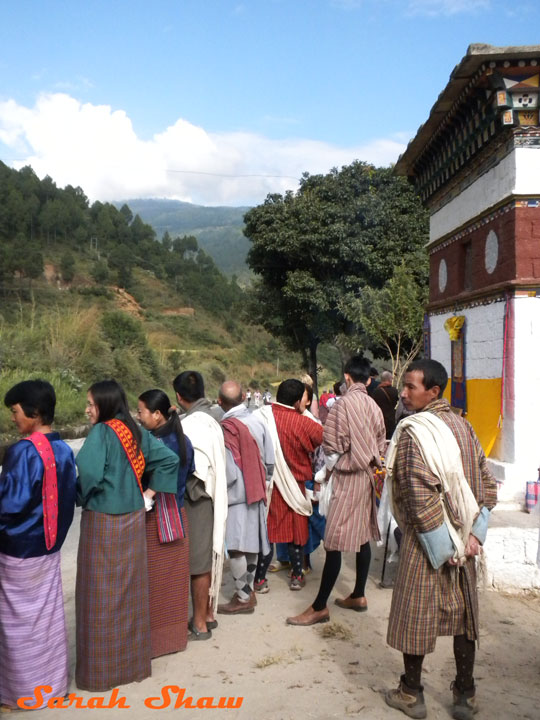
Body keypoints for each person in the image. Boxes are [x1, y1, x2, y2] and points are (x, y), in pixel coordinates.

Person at [384, 359, 497, 720]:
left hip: (429, 544)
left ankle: (410, 692)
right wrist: (474, 537)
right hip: (464, 542)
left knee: (415, 616)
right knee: (465, 619)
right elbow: (488, 485)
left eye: (411, 387)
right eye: (403, 385)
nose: (403, 393)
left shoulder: (413, 431)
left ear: (433, 392)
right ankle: (465, 694)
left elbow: (418, 496)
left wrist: (445, 547)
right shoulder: (465, 428)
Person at [75, 379, 179, 691]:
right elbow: (170, 460)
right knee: (129, 594)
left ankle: (102, 673)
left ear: (104, 405)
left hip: (102, 522)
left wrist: (78, 496)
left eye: (91, 404)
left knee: (98, 597)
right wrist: (146, 493)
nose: (87, 409)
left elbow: (88, 476)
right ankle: (133, 665)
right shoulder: (133, 429)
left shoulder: (102, 433)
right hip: (133, 518)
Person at [287, 356, 386, 626]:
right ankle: (359, 594)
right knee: (362, 535)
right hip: (367, 478)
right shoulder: (374, 407)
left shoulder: (342, 406)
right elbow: (380, 443)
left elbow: (332, 447)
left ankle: (320, 606)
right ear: (368, 379)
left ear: (347, 377)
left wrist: (323, 474)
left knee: (334, 542)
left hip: (346, 476)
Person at [0, 380, 77, 710]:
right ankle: (50, 685)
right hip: (48, 548)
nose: (13, 419)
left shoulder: (22, 451)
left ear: (32, 413)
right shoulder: (63, 450)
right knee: (45, 616)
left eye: (15, 412)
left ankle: (20, 691)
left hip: (18, 550)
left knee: (15, 621)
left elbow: (11, 504)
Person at [137, 389, 195, 657]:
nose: (138, 417)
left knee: (151, 585)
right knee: (171, 585)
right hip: (177, 516)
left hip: (155, 518)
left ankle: (151, 644)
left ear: (157, 415)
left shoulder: (152, 445)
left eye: (141, 412)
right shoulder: (184, 441)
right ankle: (172, 640)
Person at [173, 371, 227, 640]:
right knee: (205, 556)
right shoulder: (214, 419)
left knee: (197, 562)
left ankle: (200, 623)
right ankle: (206, 614)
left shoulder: (188, 425)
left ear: (178, 397)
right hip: (214, 494)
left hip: (197, 496)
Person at [254, 379, 323, 591]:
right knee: (296, 533)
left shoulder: (260, 417)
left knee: (268, 533)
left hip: (268, 485)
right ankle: (296, 575)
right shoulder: (304, 422)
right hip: (296, 487)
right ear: (296, 402)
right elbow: (323, 438)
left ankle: (260, 580)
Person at [217, 381, 274, 614]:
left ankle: (242, 597)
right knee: (250, 543)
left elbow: (228, 469)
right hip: (257, 490)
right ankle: (247, 590)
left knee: (237, 548)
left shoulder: (225, 427)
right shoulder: (258, 421)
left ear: (220, 402)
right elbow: (270, 460)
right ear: (243, 397)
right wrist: (262, 480)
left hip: (235, 494)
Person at [372, 370, 399, 439]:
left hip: (379, 420)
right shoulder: (394, 391)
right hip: (391, 420)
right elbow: (395, 403)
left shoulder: (376, 391)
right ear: (390, 379)